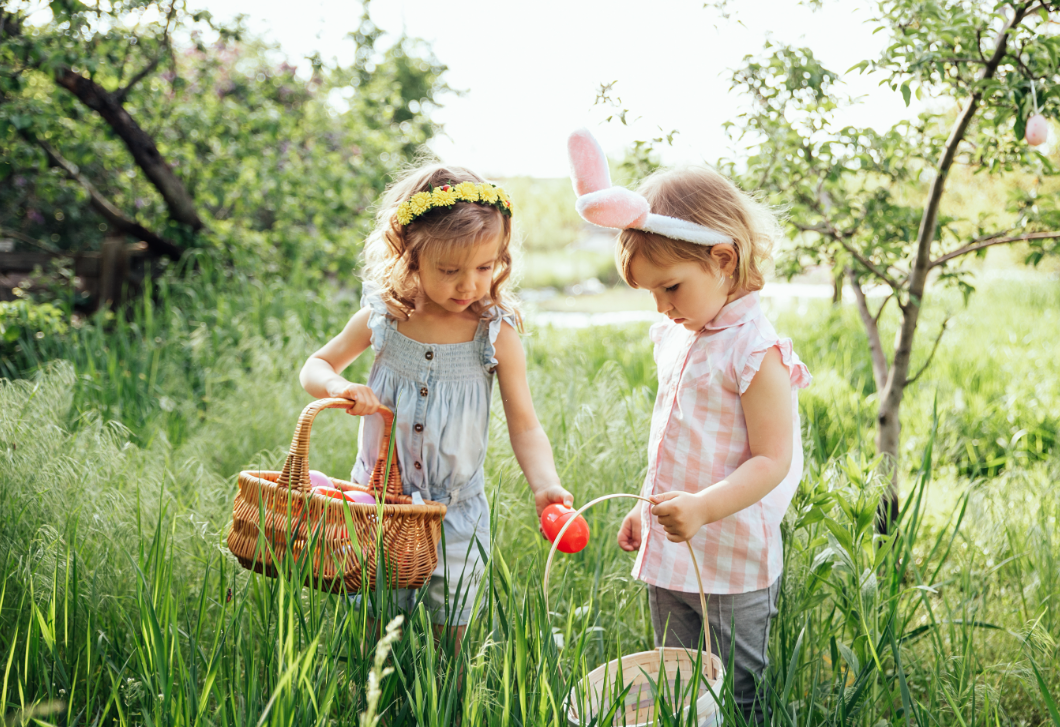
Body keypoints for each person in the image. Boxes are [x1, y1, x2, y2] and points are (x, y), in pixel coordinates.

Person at [567, 129, 811, 723]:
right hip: (674, 549)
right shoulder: (678, 336)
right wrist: (645, 504)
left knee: (736, 691)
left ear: (722, 259)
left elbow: (771, 459)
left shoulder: (756, 351)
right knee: (674, 682)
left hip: (731, 556)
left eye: (670, 286)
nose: (662, 306)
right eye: (651, 292)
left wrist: (703, 507)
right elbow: (674, 436)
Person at [300, 164, 571, 651]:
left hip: (455, 510)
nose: (469, 285)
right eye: (450, 271)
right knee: (372, 623)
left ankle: (450, 699)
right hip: (377, 503)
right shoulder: (383, 319)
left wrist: (545, 484)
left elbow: (525, 426)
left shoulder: (496, 333)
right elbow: (315, 364)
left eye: (485, 268)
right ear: (410, 257)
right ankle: (372, 695)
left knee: (454, 629)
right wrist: (339, 386)